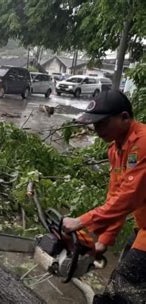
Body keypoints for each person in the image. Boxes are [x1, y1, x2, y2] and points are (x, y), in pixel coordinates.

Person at [63, 90, 146, 303]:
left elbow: (129, 196)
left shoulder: (143, 142)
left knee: (124, 287)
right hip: (142, 226)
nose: (97, 129)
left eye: (102, 123)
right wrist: (103, 241)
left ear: (125, 117)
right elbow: (116, 197)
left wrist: (81, 221)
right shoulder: (115, 150)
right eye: (94, 124)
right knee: (122, 277)